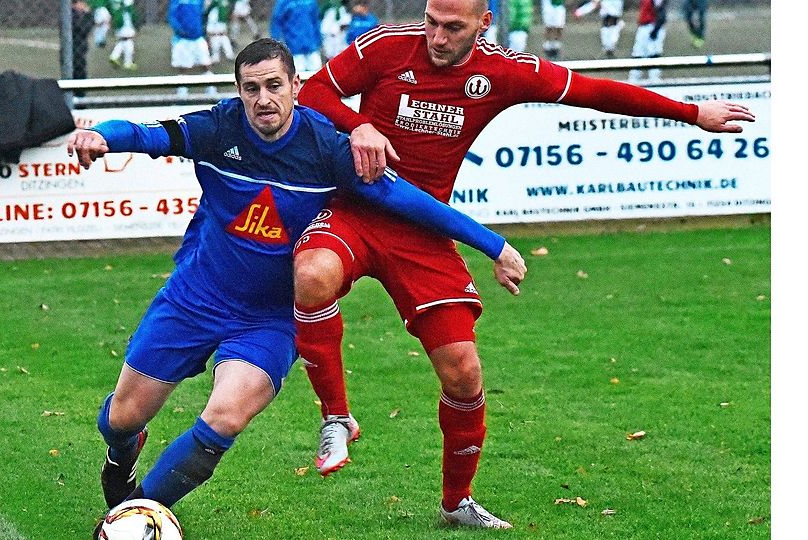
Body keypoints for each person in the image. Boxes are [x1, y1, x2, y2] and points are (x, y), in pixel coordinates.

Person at [293, 0, 755, 528]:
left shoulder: (503, 71)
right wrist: (359, 126)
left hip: (425, 232)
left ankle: (456, 503)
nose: (436, 37)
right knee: (310, 275)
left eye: (452, 28)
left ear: (483, 24)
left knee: (464, 374)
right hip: (356, 212)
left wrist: (693, 114)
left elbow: (594, 93)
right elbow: (313, 91)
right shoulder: (387, 45)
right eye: (430, 22)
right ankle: (336, 416)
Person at [67, 37, 526, 536]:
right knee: (121, 418)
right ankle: (122, 452)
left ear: (295, 87)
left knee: (224, 418)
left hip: (271, 320)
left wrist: (494, 245)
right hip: (195, 298)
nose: (263, 99)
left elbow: (409, 202)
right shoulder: (217, 128)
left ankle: (135, 514)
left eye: (273, 86)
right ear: (238, 92)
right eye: (251, 89)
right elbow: (144, 132)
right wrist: (102, 137)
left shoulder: (327, 147)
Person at [168, 0, 213, 94]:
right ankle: (182, 95)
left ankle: (211, 92)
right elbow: (172, 16)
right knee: (182, 67)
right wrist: (179, 29)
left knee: (206, 64)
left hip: (198, 37)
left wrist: (204, 32)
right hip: (183, 40)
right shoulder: (177, 1)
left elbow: (203, 15)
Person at [271, 0, 323, 72]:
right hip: (294, 47)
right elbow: (276, 21)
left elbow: (315, 20)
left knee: (316, 74)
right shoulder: (284, 2)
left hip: (312, 46)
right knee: (298, 75)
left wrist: (319, 39)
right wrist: (275, 42)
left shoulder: (310, 2)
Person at [628, 0, 667, 84]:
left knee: (653, 53)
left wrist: (656, 29)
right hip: (644, 26)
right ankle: (634, 78)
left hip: (651, 25)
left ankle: (654, 79)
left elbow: (661, 11)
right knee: (638, 53)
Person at [70, 0, 95, 96]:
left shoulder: (77, 15)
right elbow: (83, 29)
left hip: (80, 52)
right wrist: (88, 15)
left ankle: (80, 99)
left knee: (81, 76)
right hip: (75, 52)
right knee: (77, 77)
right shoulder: (72, 16)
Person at [108, 0, 139, 70]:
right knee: (129, 44)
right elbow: (133, 17)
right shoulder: (126, 10)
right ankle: (127, 63)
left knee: (122, 43)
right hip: (125, 29)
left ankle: (114, 56)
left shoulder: (118, 9)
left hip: (120, 29)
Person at [206, 0, 236, 66]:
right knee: (216, 44)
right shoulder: (213, 12)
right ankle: (215, 58)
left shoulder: (222, 8)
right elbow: (210, 26)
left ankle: (229, 56)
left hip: (221, 31)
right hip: (215, 34)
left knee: (225, 41)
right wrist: (210, 33)